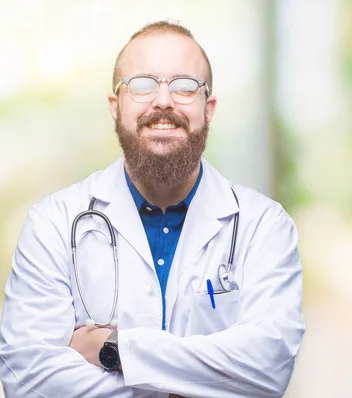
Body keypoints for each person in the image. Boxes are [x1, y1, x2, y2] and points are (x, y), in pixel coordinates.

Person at [0, 20, 305, 398]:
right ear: (116, 106)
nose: (163, 101)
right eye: (142, 85)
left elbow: (267, 368)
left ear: (208, 109)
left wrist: (112, 349)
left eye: (184, 86)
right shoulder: (53, 223)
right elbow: (27, 380)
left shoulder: (264, 226)